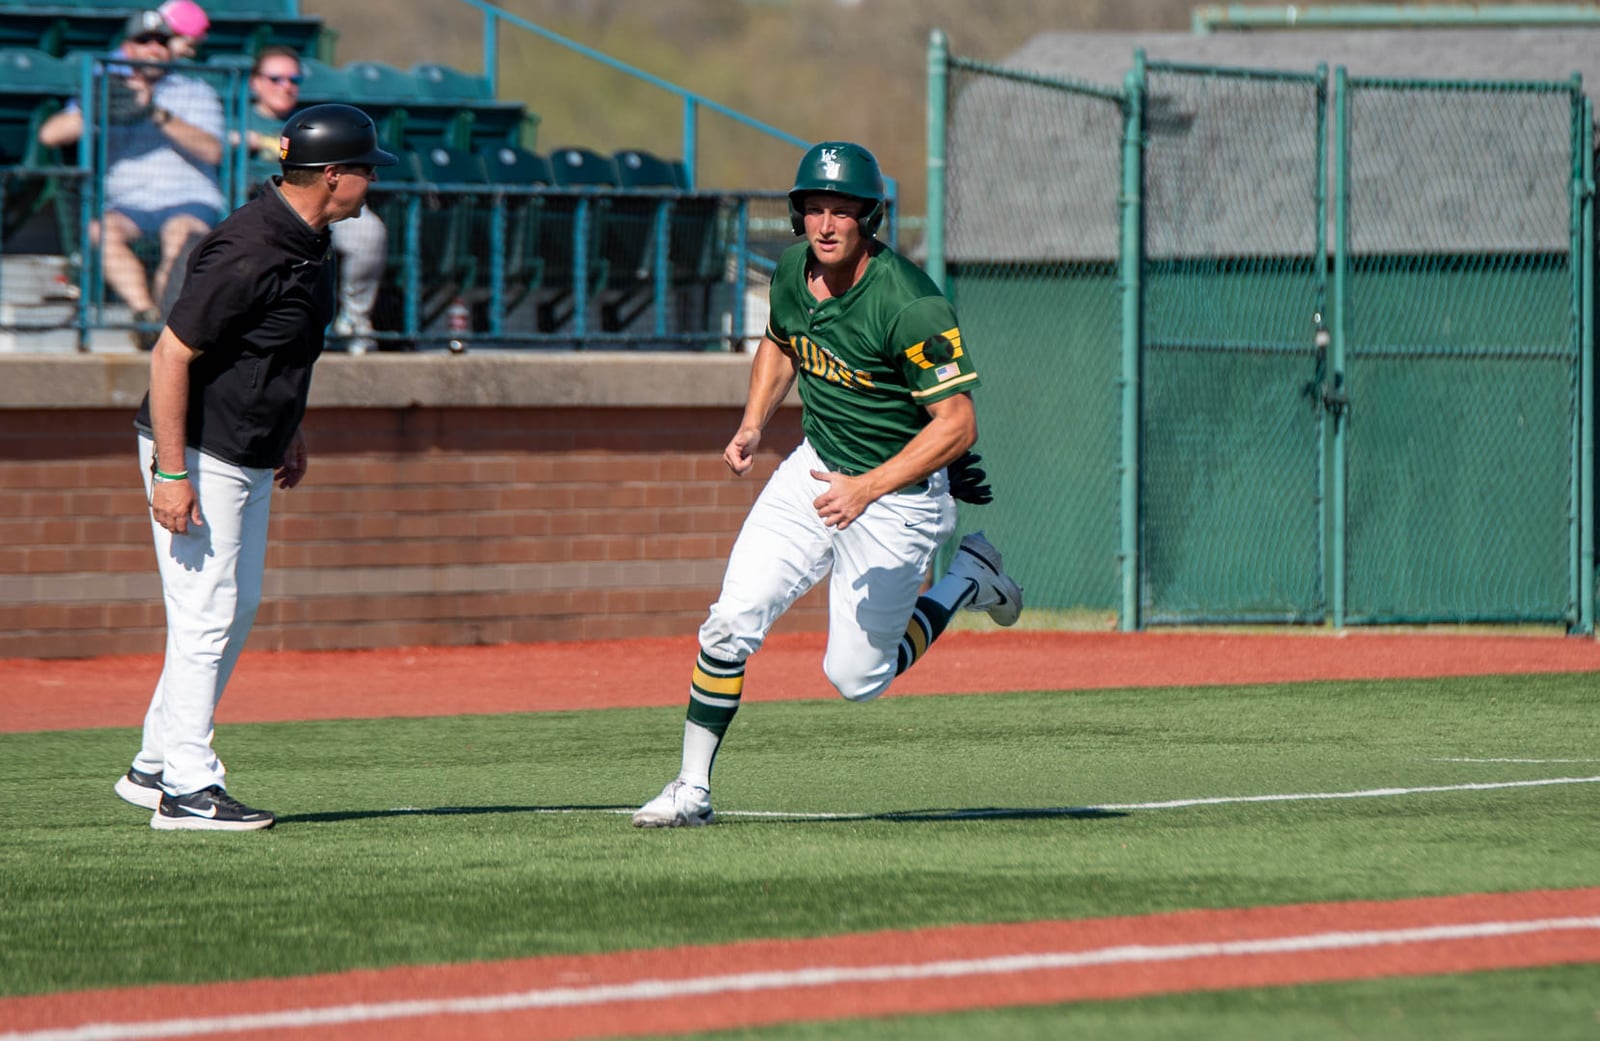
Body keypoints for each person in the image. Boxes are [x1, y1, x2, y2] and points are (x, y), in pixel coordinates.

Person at [632, 142, 1022, 828]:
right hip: (813, 471)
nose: (827, 223)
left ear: (869, 218)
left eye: (843, 210)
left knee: (857, 679)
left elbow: (958, 423)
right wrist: (754, 423)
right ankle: (691, 789)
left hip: (897, 500)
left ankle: (968, 575)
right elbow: (782, 340)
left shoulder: (910, 301)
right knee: (729, 622)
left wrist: (868, 488)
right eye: (815, 208)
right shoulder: (790, 271)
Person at [113, 104, 397, 830]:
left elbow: (277, 351)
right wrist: (170, 474)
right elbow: (171, 354)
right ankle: (186, 788)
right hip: (201, 451)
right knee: (206, 615)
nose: (371, 180)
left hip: (249, 448)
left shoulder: (309, 236)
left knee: (229, 613)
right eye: (365, 168)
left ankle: (153, 763)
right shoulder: (250, 247)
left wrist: (290, 426)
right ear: (333, 175)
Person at [36, 9, 224, 350]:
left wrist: (156, 112)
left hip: (189, 199)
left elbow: (213, 151)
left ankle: (167, 323)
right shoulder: (108, 86)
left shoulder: (194, 89)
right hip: (129, 204)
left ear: (172, 48)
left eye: (161, 42)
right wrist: (97, 110)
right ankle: (145, 315)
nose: (153, 49)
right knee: (100, 230)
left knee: (181, 233)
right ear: (128, 48)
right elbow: (50, 135)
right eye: (144, 41)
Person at [240, 47, 390, 354]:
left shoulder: (312, 122)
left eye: (293, 79)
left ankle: (354, 320)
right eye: (275, 78)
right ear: (255, 82)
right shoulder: (236, 120)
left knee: (368, 230)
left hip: (322, 207)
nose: (286, 85)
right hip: (263, 211)